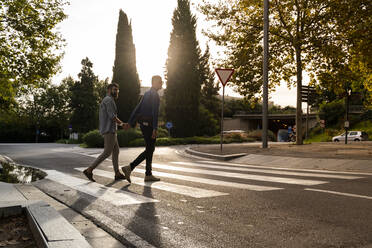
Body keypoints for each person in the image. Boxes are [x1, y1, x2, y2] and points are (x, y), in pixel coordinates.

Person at [121, 75, 163, 183]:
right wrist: (155, 128)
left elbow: (137, 109)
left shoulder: (146, 94)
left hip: (143, 125)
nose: (162, 84)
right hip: (149, 125)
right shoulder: (155, 95)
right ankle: (130, 167)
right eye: (160, 82)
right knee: (150, 149)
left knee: (150, 148)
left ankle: (148, 174)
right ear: (154, 83)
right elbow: (155, 113)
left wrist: (130, 122)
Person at [83, 83, 126, 182]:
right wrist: (122, 124)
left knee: (116, 151)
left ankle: (117, 173)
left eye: (117, 90)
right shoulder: (108, 100)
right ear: (108, 90)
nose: (116, 91)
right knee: (107, 152)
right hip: (109, 130)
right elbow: (112, 116)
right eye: (114, 89)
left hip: (111, 130)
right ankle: (89, 170)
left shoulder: (109, 100)